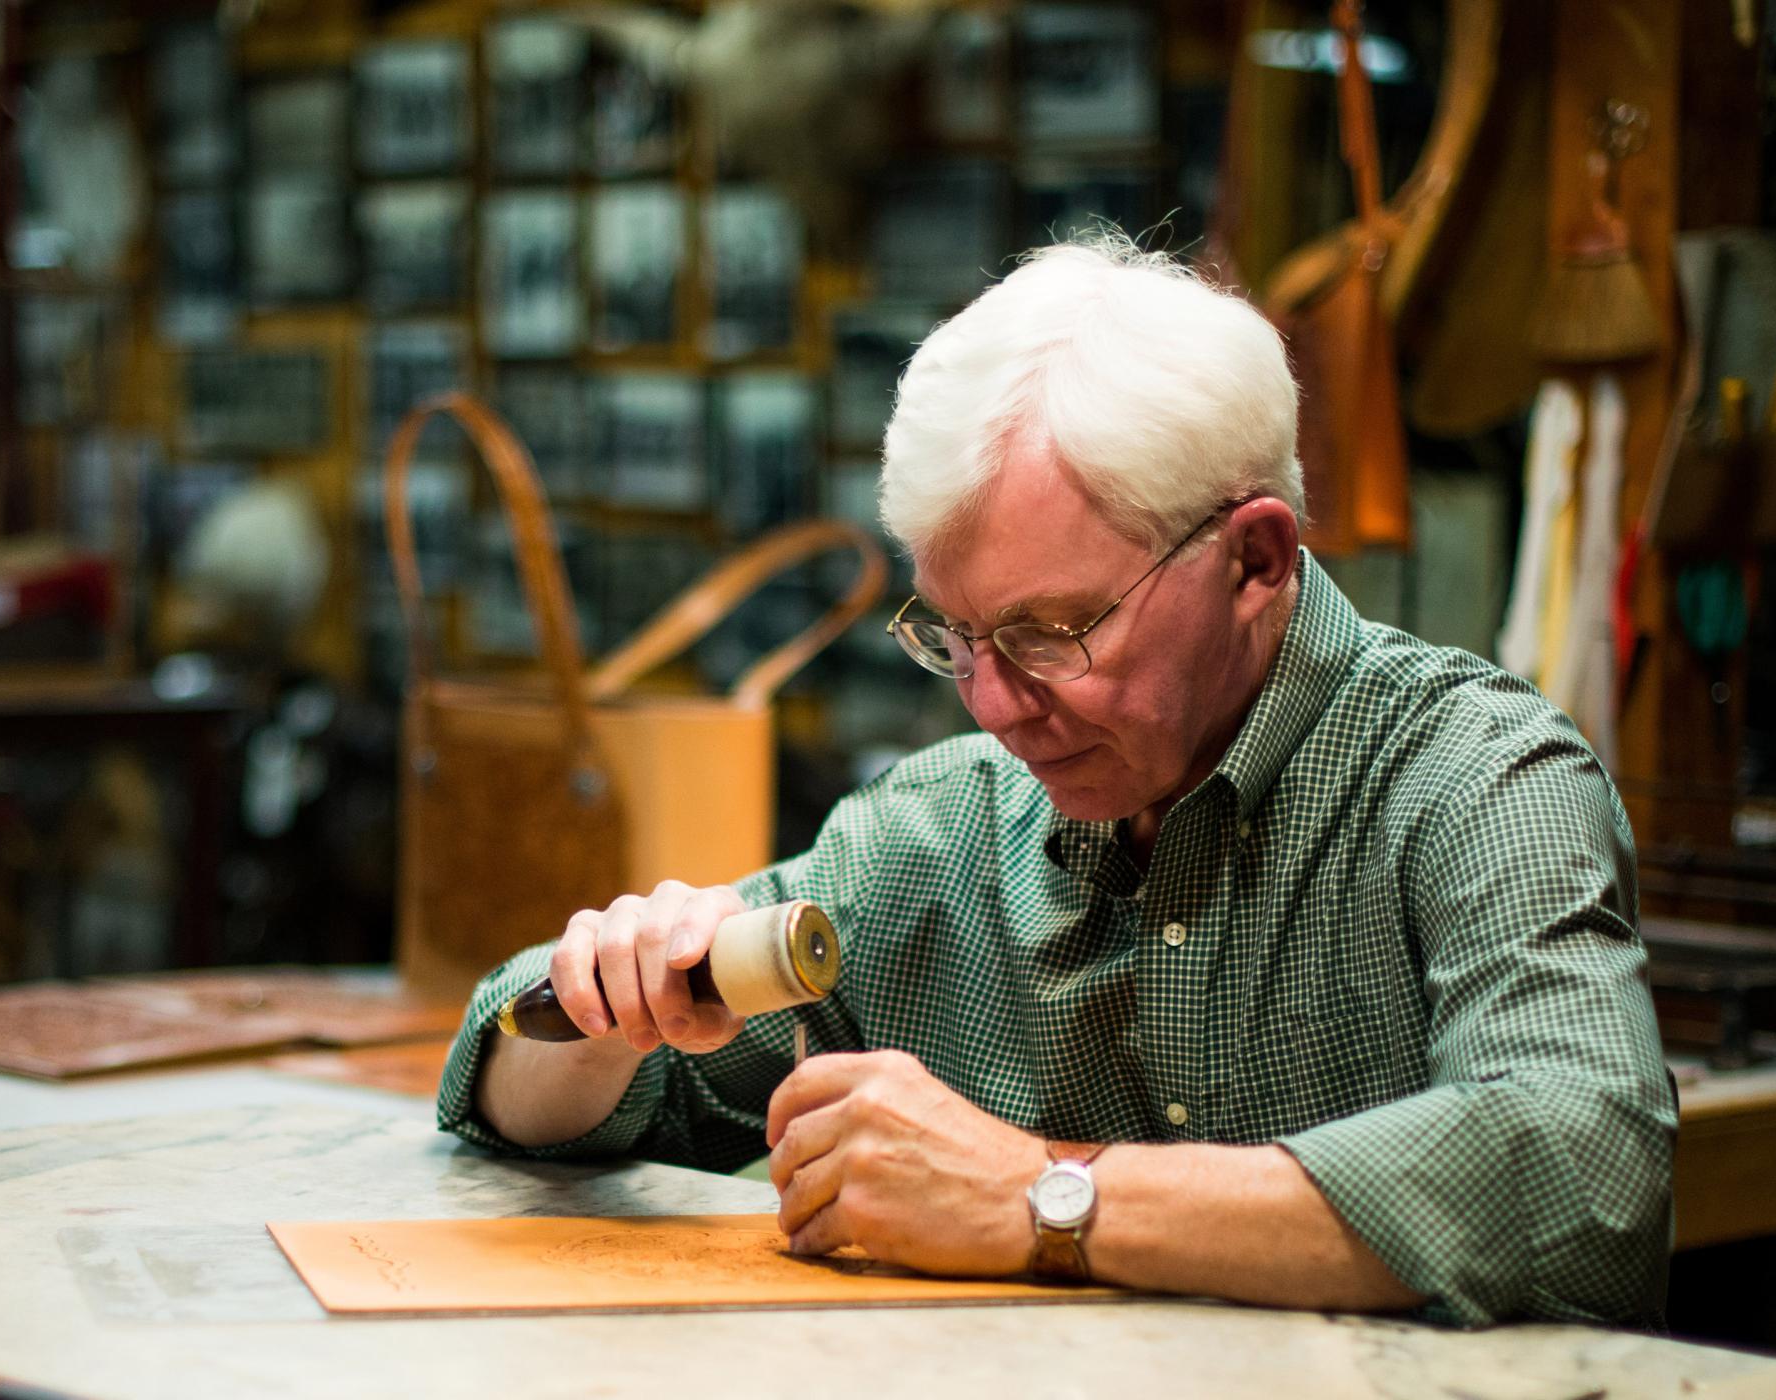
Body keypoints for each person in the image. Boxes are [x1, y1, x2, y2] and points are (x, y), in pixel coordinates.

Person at [438, 236, 1674, 1326]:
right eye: (955, 638)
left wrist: (1038, 1194)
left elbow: (1582, 1174)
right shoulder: (935, 831)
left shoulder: (1476, 778)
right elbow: (501, 1095)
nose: (991, 702)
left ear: (1253, 558)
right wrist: (607, 1011)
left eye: (1050, 633)